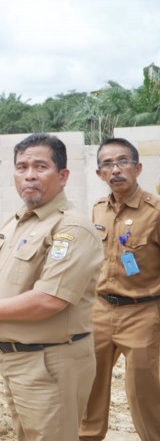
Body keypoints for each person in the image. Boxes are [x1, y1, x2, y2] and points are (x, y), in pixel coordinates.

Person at [0, 133, 102, 441]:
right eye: (22, 167)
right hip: (17, 360)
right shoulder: (18, 222)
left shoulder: (71, 228)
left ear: (63, 175)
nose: (29, 175)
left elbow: (50, 300)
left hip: (51, 363)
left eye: (41, 166)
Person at [79, 137, 160, 441]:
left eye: (123, 161)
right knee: (90, 384)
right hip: (99, 310)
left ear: (138, 168)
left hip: (142, 311)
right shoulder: (98, 209)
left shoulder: (155, 211)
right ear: (100, 173)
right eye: (107, 164)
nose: (115, 169)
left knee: (144, 389)